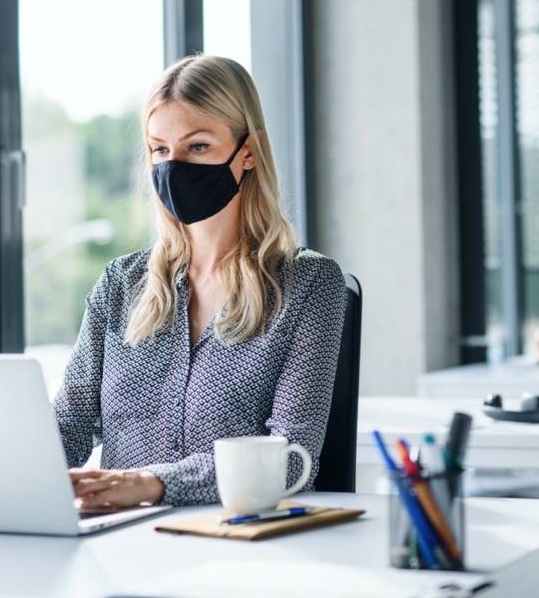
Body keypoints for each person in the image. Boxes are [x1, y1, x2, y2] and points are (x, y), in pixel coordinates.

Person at [53, 54, 348, 509]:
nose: (174, 166)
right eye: (160, 150)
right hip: (117, 540)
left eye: (198, 147)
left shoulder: (309, 285)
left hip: (234, 547)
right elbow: (68, 425)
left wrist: (153, 483)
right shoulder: (120, 284)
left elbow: (292, 459)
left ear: (247, 152)